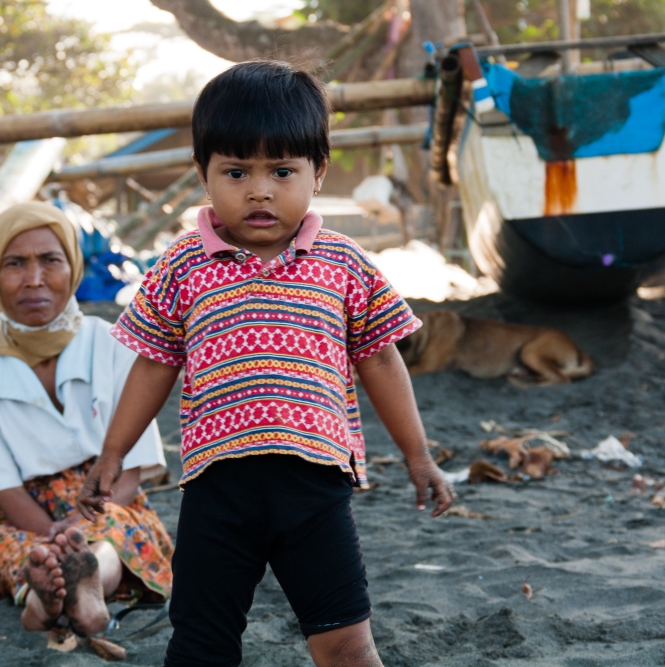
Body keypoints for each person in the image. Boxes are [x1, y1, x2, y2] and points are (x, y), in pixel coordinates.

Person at [77, 61, 456, 667]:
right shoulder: (181, 266)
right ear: (202, 174)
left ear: (317, 172)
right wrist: (113, 453)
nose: (259, 190)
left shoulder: (343, 262)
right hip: (216, 490)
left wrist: (419, 456)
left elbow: (381, 360)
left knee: (346, 643)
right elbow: (154, 366)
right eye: (235, 171)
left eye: (282, 170)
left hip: (315, 489)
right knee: (201, 644)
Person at [0, 202, 173, 637]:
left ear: (74, 265)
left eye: (50, 260)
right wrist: (53, 532)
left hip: (106, 498)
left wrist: (81, 524)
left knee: (113, 537)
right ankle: (43, 591)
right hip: (19, 513)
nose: (34, 279)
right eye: (15, 263)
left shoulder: (114, 343)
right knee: (14, 548)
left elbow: (132, 468)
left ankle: (84, 582)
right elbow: (1, 487)